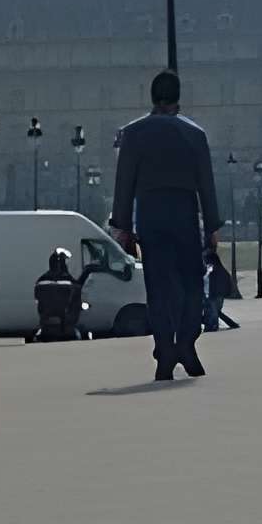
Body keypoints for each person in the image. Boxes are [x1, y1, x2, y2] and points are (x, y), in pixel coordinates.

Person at [109, 70, 222, 381]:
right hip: (185, 212)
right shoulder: (194, 134)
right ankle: (186, 342)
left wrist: (122, 226)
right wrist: (212, 225)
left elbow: (124, 184)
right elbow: (206, 184)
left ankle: (164, 350)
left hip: (150, 213)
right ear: (178, 98)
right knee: (192, 284)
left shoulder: (133, 134)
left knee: (158, 288)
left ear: (152, 97)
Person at [202, 241, 241, 334]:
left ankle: (212, 325)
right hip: (216, 295)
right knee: (213, 311)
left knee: (212, 311)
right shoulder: (219, 270)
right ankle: (212, 324)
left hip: (214, 295)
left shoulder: (212, 269)